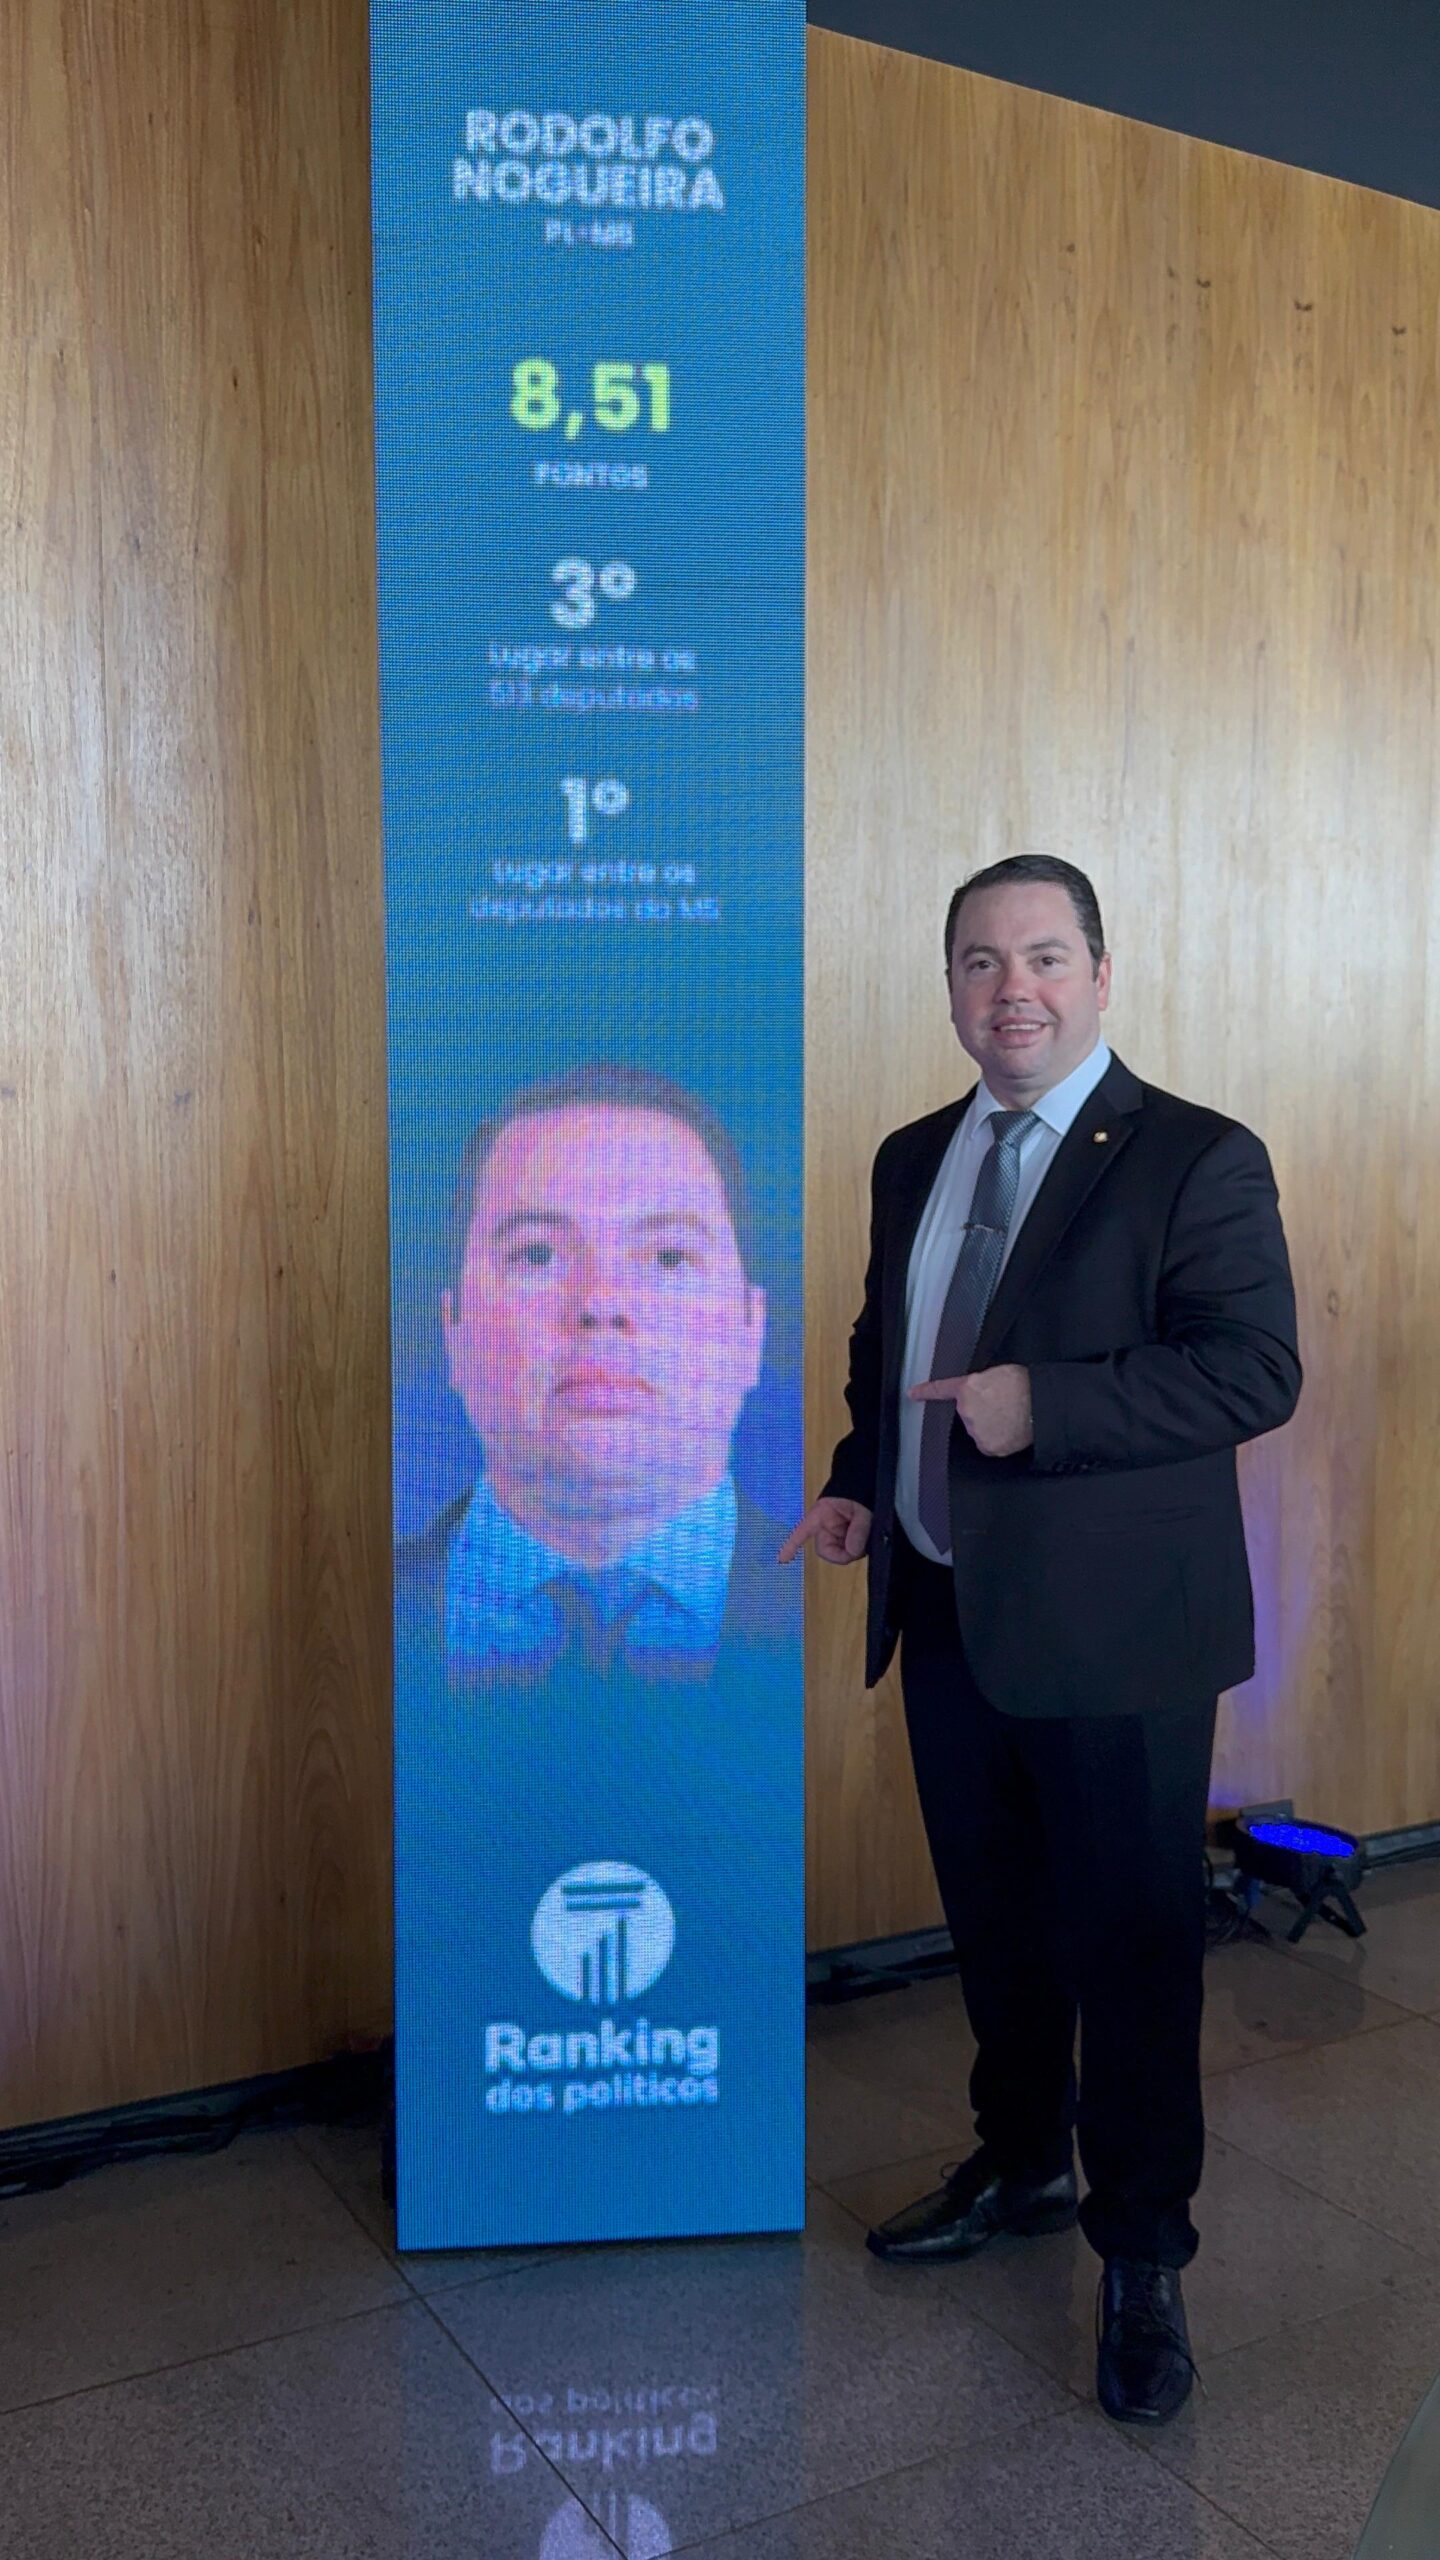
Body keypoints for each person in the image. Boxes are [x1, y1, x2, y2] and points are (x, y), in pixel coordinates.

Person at [782, 855, 1300, 2426]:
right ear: (950, 985)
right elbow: (887, 1348)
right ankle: (1019, 2163)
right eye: (980, 961)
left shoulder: (1197, 1155)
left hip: (1120, 1641)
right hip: (948, 1610)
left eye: (1046, 957)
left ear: (1100, 974)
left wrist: (1044, 1407)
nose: (1014, 990)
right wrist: (858, 1483)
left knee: (1132, 1950)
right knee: (998, 1928)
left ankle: (1142, 2255)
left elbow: (1253, 1369)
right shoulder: (911, 1155)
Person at [397, 1063, 789, 1688]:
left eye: (669, 1257)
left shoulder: (840, 1606)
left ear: (751, 1329)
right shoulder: (358, 1608)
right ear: (454, 1329)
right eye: (537, 1254)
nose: (601, 1304)